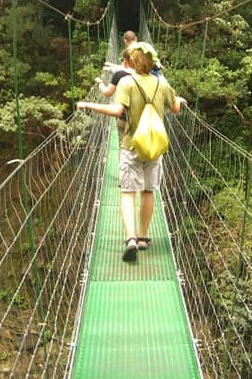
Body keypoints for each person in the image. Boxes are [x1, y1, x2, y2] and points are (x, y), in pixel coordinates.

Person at [77, 42, 187, 263]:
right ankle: (144, 237)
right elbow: (175, 109)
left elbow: (116, 110)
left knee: (128, 192)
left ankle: (131, 239)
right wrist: (178, 100)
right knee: (148, 191)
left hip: (131, 145)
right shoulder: (162, 83)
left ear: (133, 62)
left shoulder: (126, 82)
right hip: (154, 146)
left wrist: (89, 105)